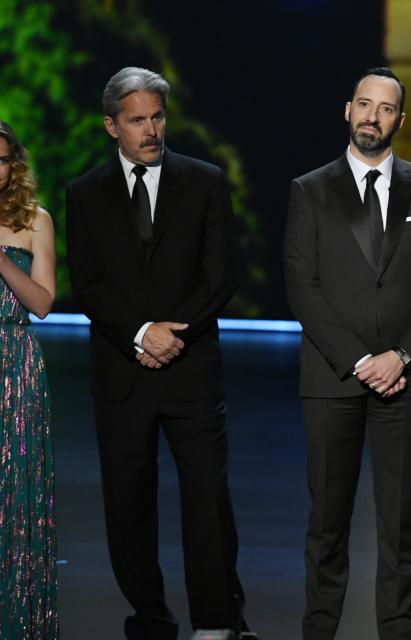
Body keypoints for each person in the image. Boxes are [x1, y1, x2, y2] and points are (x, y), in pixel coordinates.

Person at [66, 67, 253, 639]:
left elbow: (221, 277)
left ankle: (217, 620)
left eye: (157, 117)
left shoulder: (204, 182)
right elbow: (89, 284)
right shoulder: (85, 192)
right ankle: (150, 614)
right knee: (128, 503)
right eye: (137, 120)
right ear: (111, 126)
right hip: (123, 372)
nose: (151, 130)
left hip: (191, 367)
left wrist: (174, 334)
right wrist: (142, 332)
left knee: (206, 498)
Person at [283, 66, 411, 640]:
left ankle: (396, 633)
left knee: (400, 525)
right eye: (364, 104)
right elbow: (302, 286)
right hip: (333, 378)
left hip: (407, 380)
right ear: (347, 110)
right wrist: (361, 361)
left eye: (385, 109)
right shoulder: (309, 189)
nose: (372, 117)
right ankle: (320, 631)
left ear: (399, 120)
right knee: (327, 524)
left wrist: (401, 357)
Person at [0, 121, 58, 638]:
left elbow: (42, 303)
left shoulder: (34, 220)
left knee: (14, 495)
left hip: (14, 364)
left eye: (0, 160)